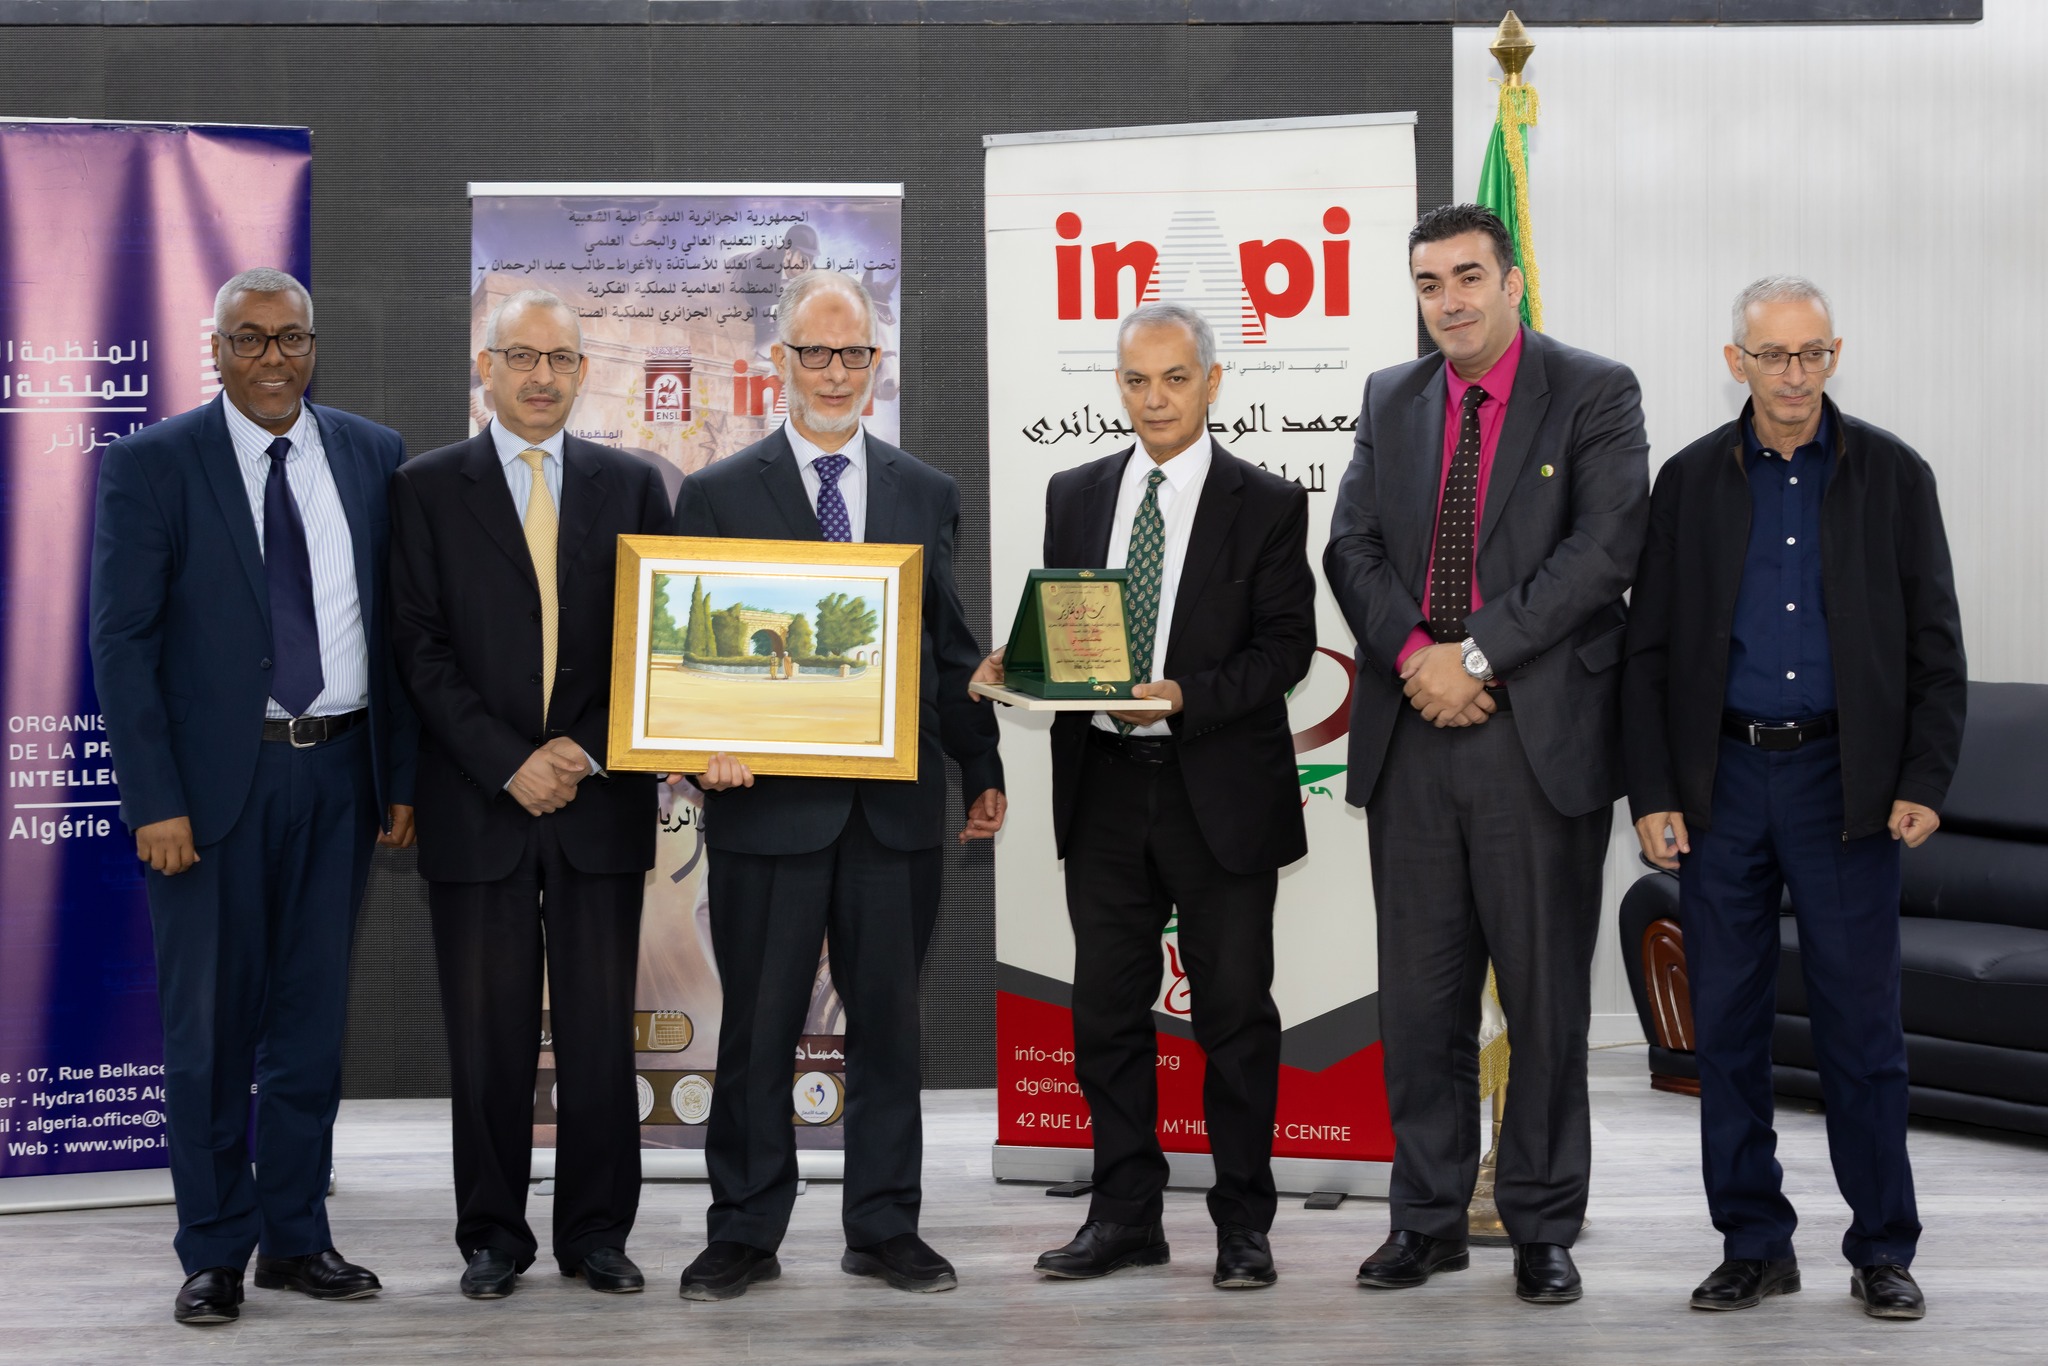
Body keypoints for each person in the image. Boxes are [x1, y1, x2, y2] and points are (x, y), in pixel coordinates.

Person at [1323, 203, 1648, 1305]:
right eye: (1429, 283)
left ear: (1511, 281)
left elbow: (1603, 549)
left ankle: (1542, 1222)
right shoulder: (1391, 397)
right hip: (1413, 734)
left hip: (1534, 738)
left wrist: (1475, 655)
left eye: (1468, 276)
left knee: (1546, 1001)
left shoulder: (1593, 390)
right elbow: (1351, 546)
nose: (1449, 301)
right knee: (1421, 1004)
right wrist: (1419, 655)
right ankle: (1425, 1219)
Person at [1623, 276, 1964, 1322]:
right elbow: (1646, 652)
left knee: (1862, 1032)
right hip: (1720, 788)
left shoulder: (1893, 474)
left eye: (1811, 353)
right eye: (1771, 355)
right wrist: (1653, 790)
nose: (1792, 374)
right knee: (1725, 1029)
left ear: (1833, 355)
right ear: (1736, 361)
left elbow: (1935, 644)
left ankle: (1882, 1248)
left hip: (1843, 787)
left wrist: (1921, 778)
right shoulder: (1688, 481)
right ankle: (1753, 1243)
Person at [89, 268, 417, 1325]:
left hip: (342, 774)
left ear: (314, 346)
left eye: (291, 339)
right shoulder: (154, 464)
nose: (273, 359)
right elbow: (122, 644)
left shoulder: (372, 454)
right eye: (250, 339)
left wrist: (400, 776)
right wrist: (154, 800)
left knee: (310, 1027)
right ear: (217, 349)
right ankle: (215, 1251)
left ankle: (297, 1239)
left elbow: (401, 631)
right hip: (210, 793)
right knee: (210, 1032)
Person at [671, 270, 1005, 1301]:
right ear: (780, 361)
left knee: (889, 1032)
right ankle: (742, 1230)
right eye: (813, 352)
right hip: (765, 808)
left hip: (892, 812)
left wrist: (981, 765)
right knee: (757, 1031)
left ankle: (884, 1225)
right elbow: (688, 651)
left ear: (875, 364)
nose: (832, 372)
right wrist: (700, 741)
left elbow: (947, 649)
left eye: (851, 353)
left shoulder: (924, 491)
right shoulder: (717, 494)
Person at [975, 303, 1316, 1291]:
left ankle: (1243, 1224)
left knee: (1234, 1019)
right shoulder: (1073, 491)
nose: (1154, 398)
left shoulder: (1266, 501)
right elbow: (1071, 630)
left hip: (1221, 791)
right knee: (1105, 1015)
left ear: (1212, 381)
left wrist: (1183, 696)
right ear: (1117, 386)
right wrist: (1016, 664)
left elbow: (1286, 649)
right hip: (1105, 788)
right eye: (1136, 380)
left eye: (1174, 378)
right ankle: (1124, 1215)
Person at [389, 289, 672, 1301]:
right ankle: (492, 1237)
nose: (541, 376)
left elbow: (654, 640)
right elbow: (417, 648)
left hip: (598, 804)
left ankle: (597, 1234)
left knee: (598, 1038)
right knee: (487, 1039)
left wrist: (582, 751)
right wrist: (509, 761)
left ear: (583, 371)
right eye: (521, 357)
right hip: (479, 803)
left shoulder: (633, 487)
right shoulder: (425, 488)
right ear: (486, 367)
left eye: (559, 359)